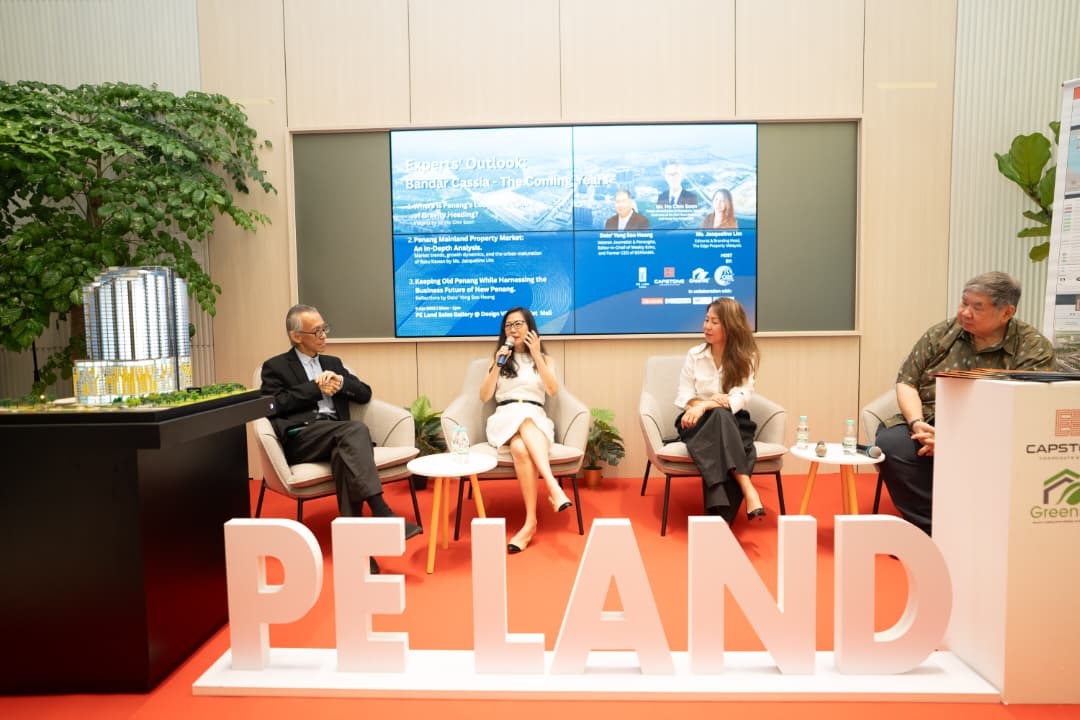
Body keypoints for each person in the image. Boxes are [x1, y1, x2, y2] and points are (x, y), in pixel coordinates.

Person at [875, 271, 1055, 536]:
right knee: (891, 443)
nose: (965, 313)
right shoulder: (941, 333)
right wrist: (918, 424)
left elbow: (1028, 409)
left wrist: (958, 440)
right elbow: (906, 382)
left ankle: (980, 529)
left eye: (977, 307)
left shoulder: (1033, 348)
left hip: (993, 431)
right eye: (964, 303)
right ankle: (932, 530)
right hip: (929, 421)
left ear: (1006, 312)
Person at [260, 304, 421, 573]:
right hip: (304, 438)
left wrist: (343, 383)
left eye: (325, 329)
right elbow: (273, 405)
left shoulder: (333, 364)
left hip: (338, 438)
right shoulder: (275, 367)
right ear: (296, 336)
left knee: (344, 456)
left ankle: (358, 552)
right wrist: (314, 388)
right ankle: (380, 509)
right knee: (355, 431)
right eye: (317, 331)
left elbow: (365, 394)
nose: (324, 335)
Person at [479, 307, 573, 554]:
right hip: (505, 416)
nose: (513, 329)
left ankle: (530, 523)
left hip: (536, 416)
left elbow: (552, 390)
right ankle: (552, 485)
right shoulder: (498, 358)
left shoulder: (545, 360)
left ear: (529, 327)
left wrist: (536, 355)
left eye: (519, 324)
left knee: (521, 448)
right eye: (509, 325)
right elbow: (485, 395)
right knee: (523, 420)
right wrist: (498, 364)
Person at [674, 297, 766, 525]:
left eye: (714, 322)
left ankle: (716, 520)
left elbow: (740, 398)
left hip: (733, 421)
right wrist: (703, 405)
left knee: (721, 417)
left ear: (730, 325)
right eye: (706, 320)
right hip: (693, 422)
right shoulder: (694, 355)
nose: (706, 326)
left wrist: (706, 404)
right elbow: (683, 396)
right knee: (720, 418)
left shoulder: (747, 357)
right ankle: (748, 487)